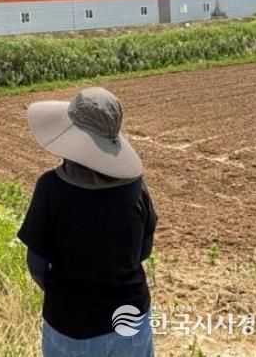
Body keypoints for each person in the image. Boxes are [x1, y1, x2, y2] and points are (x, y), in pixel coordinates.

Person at [18, 87, 158, 357]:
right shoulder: (135, 187)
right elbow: (144, 251)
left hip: (69, 324)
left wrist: (67, 294)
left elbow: (36, 265)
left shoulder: (51, 188)